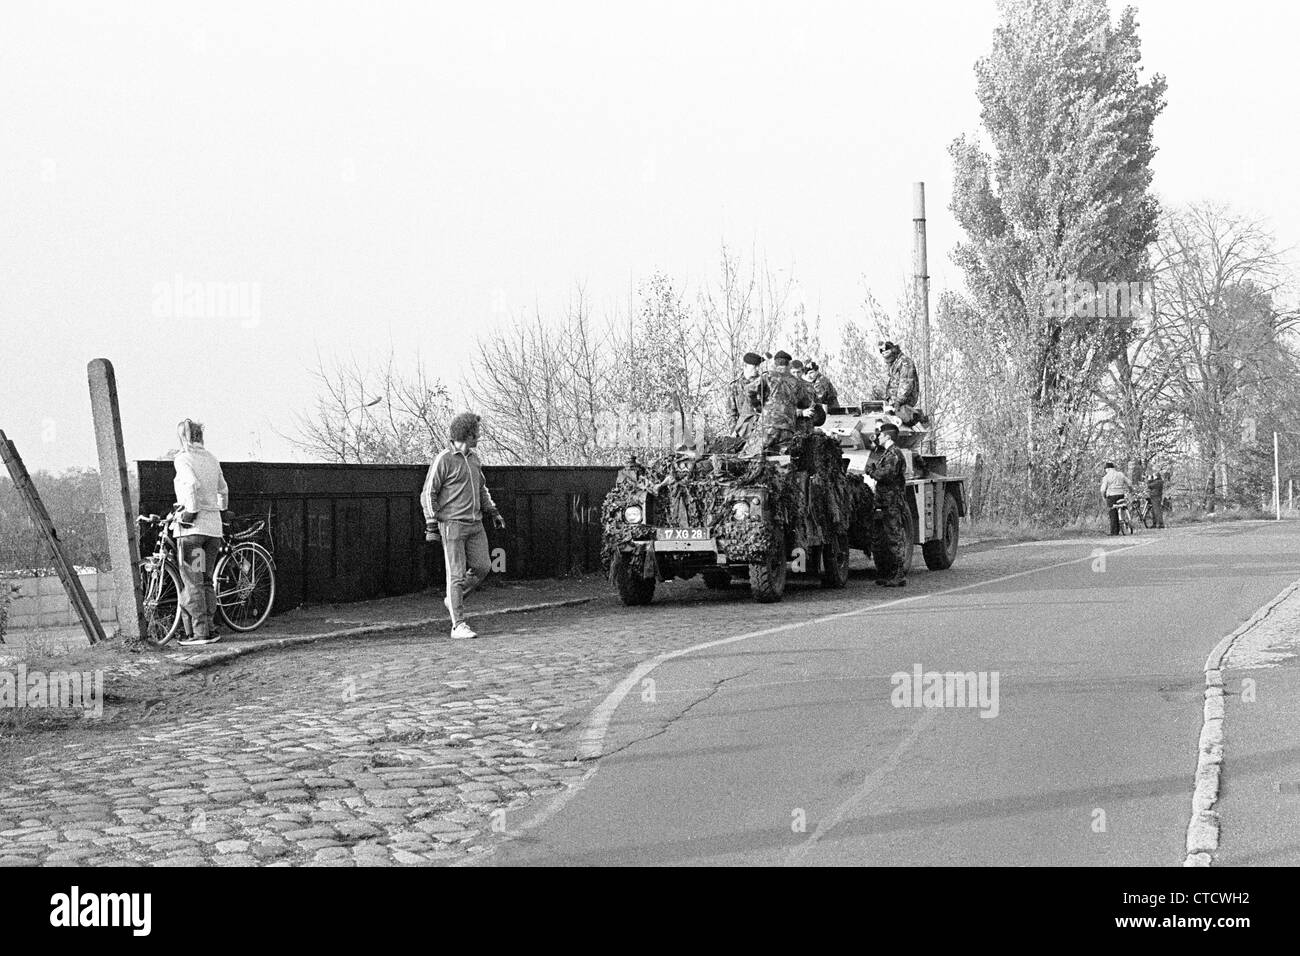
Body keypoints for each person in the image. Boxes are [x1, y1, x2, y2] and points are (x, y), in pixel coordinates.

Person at [421, 412, 507, 639]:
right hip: (452, 525)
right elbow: (428, 492)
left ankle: (453, 599)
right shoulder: (444, 459)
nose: (478, 437)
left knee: (483, 566)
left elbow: (481, 489)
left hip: (476, 523)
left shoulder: (474, 459)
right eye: (475, 433)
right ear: (466, 434)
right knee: (455, 574)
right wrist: (431, 526)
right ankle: (458, 624)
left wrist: (493, 511)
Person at [172, 419, 228, 646]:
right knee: (205, 580)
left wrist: (190, 513)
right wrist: (217, 509)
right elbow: (223, 491)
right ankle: (210, 628)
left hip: (193, 532)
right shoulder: (212, 459)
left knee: (193, 581)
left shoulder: (183, 459)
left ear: (183, 437)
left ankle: (199, 633)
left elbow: (191, 485)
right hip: (213, 531)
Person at [742, 350, 818, 455]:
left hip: (768, 426)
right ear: (789, 365)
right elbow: (806, 403)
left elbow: (748, 390)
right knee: (782, 460)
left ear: (775, 364)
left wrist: (758, 407)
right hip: (788, 429)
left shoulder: (768, 376)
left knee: (749, 454)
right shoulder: (797, 382)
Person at [865, 422, 908, 587]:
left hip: (892, 503)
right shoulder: (886, 453)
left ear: (888, 436)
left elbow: (886, 475)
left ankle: (899, 574)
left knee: (894, 538)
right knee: (881, 538)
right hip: (883, 502)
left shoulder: (894, 454)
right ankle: (887, 573)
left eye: (881, 435)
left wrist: (871, 471)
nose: (878, 437)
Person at [872, 341, 920, 424]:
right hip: (892, 400)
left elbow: (906, 383)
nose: (887, 360)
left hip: (904, 400)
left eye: (888, 355)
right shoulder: (893, 363)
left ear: (894, 352)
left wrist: (899, 401)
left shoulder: (905, 362)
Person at [727, 352, 764, 440]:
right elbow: (732, 413)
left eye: (758, 365)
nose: (757, 368)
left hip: (760, 431)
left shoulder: (763, 383)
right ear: (745, 366)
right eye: (755, 366)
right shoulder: (734, 386)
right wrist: (734, 431)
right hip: (742, 431)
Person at [1100, 461, 1133, 536]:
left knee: (1112, 512)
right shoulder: (1120, 474)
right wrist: (1131, 490)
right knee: (1122, 506)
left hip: (1111, 496)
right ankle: (1125, 522)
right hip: (1121, 495)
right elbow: (1129, 483)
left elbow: (1103, 489)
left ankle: (1114, 532)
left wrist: (1103, 497)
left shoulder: (1106, 477)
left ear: (1107, 469)